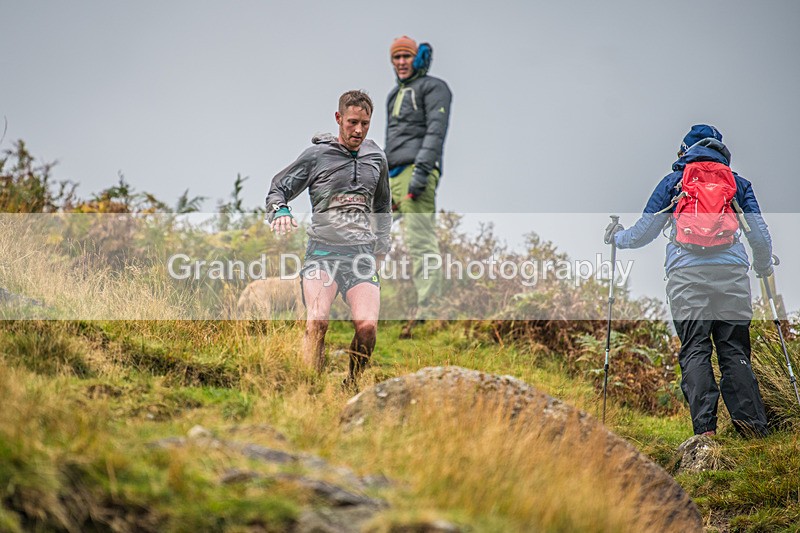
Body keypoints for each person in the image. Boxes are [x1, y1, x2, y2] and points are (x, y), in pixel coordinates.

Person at [605, 124, 772, 437]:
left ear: (685, 151)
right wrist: (762, 265)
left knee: (695, 349)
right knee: (734, 349)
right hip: (731, 275)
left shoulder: (675, 181)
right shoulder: (737, 183)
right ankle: (752, 430)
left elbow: (644, 233)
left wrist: (618, 238)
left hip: (686, 276)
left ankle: (705, 434)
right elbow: (759, 237)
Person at [265, 90, 391, 386]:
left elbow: (383, 207)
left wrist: (382, 248)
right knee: (318, 320)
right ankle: (308, 387)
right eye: (352, 122)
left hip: (360, 256)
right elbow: (277, 187)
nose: (358, 130)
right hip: (322, 254)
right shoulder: (316, 155)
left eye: (365, 123)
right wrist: (280, 210)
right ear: (338, 119)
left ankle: (351, 384)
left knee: (368, 327)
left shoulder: (377, 157)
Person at [385, 35, 452, 336]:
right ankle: (364, 303)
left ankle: (429, 311)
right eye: (396, 58)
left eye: (406, 57)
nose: (401, 63)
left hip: (416, 172)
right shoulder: (392, 95)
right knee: (370, 233)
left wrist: (422, 173)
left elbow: (435, 133)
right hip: (391, 177)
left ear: (418, 58)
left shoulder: (434, 88)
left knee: (420, 241)